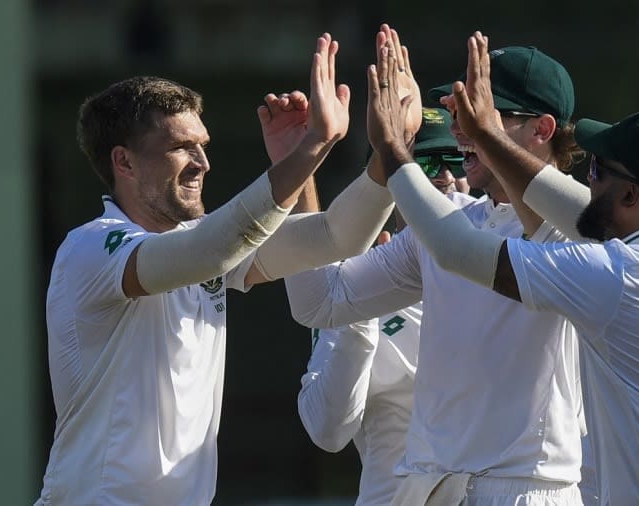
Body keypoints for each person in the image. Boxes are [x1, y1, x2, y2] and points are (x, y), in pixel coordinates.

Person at [372, 31, 639, 505]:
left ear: (630, 196)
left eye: (598, 172)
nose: (587, 178)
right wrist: (486, 136)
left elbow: (454, 249)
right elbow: (576, 213)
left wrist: (392, 148)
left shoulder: (618, 280)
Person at [36, 33, 402, 505]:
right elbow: (216, 251)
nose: (203, 163)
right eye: (180, 148)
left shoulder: (203, 243)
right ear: (123, 162)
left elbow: (333, 239)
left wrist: (389, 149)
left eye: (203, 145)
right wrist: (312, 144)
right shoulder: (91, 247)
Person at [285, 29, 591, 505]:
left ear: (542, 130)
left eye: (483, 113)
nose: (460, 130)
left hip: (529, 491)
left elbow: (531, 229)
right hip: (435, 489)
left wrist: (395, 150)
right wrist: (299, 161)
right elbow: (320, 301)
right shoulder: (455, 223)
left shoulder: (580, 232)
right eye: (457, 113)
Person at [297, 108, 471, 506]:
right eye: (424, 162)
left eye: (456, 159)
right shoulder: (352, 287)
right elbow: (328, 431)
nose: (444, 175)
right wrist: (361, 319)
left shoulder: (506, 265)